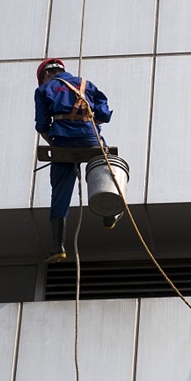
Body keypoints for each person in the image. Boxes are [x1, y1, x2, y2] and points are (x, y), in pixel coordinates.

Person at [34, 58, 118, 263]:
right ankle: (110, 213)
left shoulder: (44, 90)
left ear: (46, 74)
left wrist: (53, 140)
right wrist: (88, 122)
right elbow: (104, 115)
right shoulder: (86, 85)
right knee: (104, 171)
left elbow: (42, 124)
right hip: (90, 139)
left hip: (63, 142)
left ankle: (58, 247)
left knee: (60, 192)